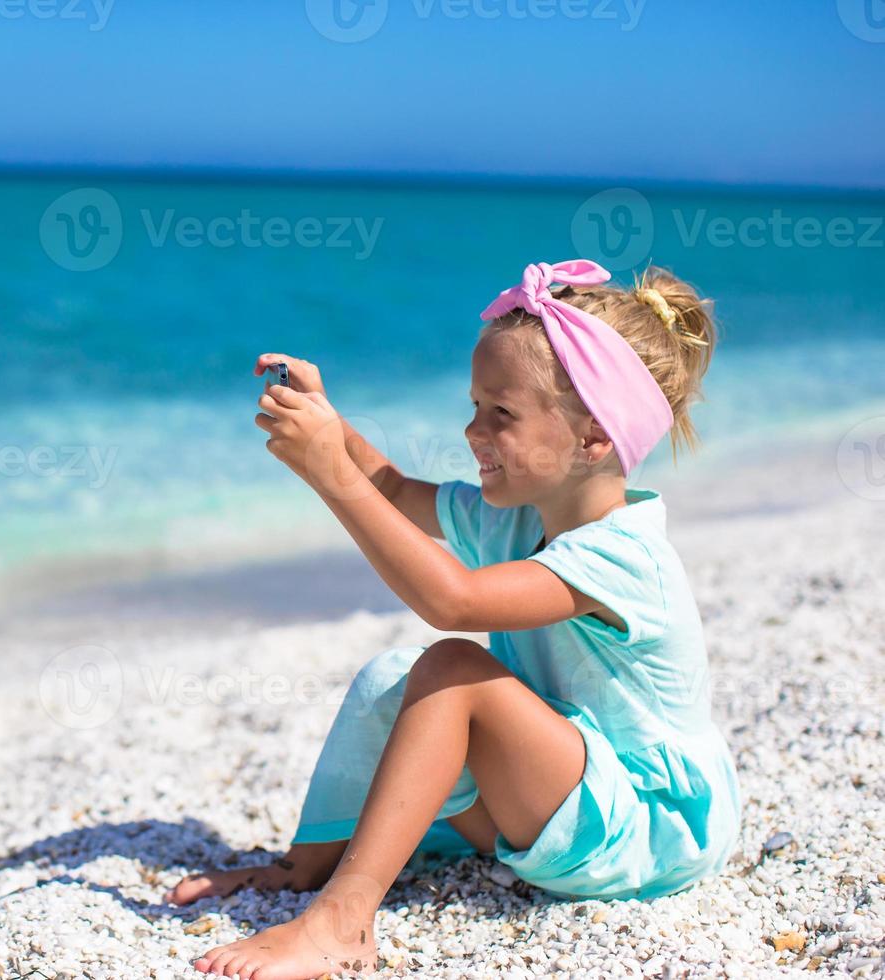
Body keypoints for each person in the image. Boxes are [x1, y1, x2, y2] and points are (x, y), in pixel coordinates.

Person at [170, 259, 741, 980]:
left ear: (594, 439)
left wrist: (328, 474)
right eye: (474, 406)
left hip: (646, 830)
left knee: (452, 668)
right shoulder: (519, 515)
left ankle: (344, 922)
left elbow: (454, 603)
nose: (473, 430)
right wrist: (331, 425)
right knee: (394, 679)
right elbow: (398, 491)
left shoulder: (625, 556)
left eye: (501, 413)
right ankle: (303, 868)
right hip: (562, 798)